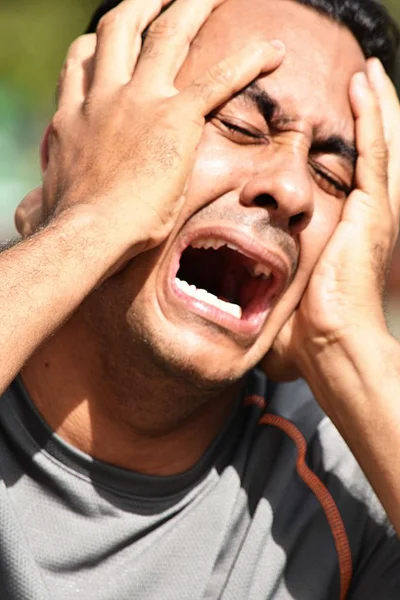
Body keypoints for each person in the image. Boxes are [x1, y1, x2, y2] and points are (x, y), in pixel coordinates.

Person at [1, 0, 400, 597]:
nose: (291, 190)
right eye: (241, 125)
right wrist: (92, 219)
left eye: (332, 178)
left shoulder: (357, 482)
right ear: (77, 142)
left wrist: (346, 344)